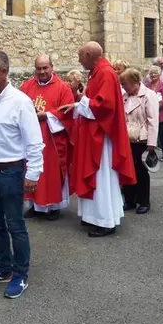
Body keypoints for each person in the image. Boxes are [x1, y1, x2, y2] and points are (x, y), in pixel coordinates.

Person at [0, 51, 43, 299]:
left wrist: (33, 173)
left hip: (11, 172)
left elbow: (34, 141)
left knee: (15, 225)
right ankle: (3, 268)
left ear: (4, 72)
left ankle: (20, 274)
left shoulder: (20, 102)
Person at [59, 42, 135, 238]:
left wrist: (81, 102)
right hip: (93, 134)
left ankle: (105, 220)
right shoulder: (97, 71)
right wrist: (76, 105)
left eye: (80, 55)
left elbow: (104, 106)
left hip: (101, 137)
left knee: (101, 178)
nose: (78, 59)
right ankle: (92, 216)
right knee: (97, 177)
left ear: (89, 54)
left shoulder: (106, 73)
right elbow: (94, 101)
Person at [19, 55, 74, 220]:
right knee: (31, 170)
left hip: (52, 139)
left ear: (52, 67)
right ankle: (35, 206)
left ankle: (53, 206)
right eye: (38, 68)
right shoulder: (27, 86)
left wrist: (47, 115)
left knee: (50, 173)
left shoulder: (63, 88)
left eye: (45, 68)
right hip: (30, 137)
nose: (42, 72)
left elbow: (67, 112)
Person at [119, 69, 159, 215]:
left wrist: (152, 143)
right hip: (126, 138)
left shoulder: (149, 95)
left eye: (125, 84)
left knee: (141, 171)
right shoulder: (124, 96)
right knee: (128, 170)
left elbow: (153, 120)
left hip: (141, 139)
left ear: (135, 82)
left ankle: (143, 201)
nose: (124, 87)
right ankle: (130, 199)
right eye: (122, 84)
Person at [146, 66, 163, 161]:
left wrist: (155, 107)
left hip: (162, 114)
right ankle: (151, 154)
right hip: (150, 114)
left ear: (159, 74)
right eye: (151, 73)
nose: (153, 75)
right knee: (150, 134)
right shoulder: (148, 85)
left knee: (162, 134)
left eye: (155, 73)